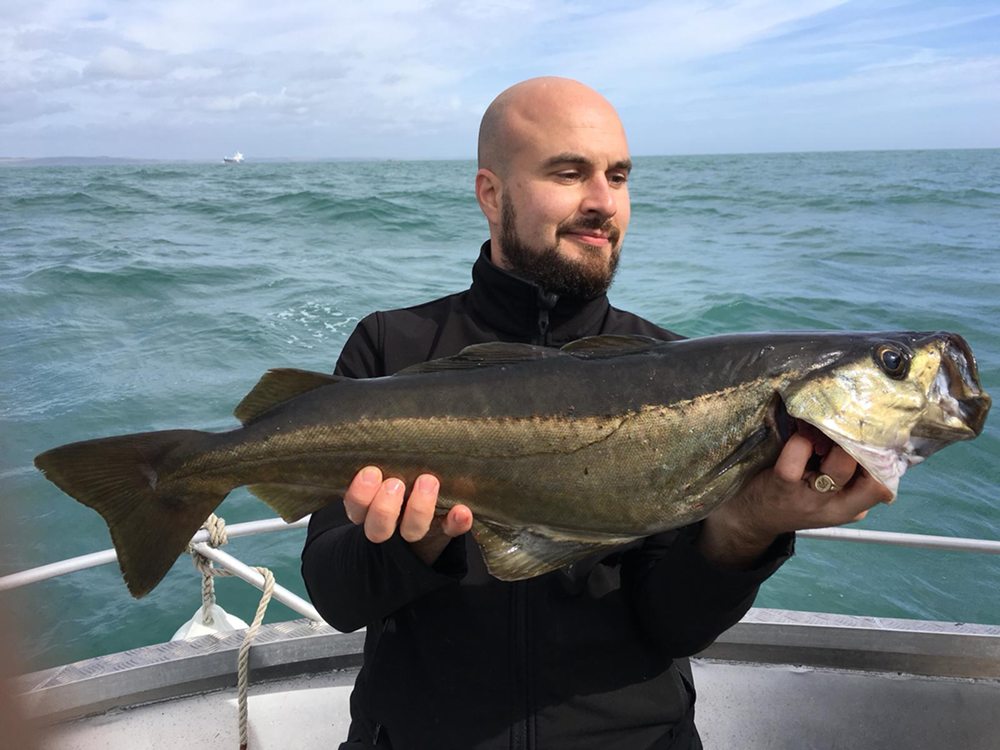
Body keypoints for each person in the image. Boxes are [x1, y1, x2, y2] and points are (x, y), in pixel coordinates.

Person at [301, 77, 893, 750]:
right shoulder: (389, 349)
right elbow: (335, 595)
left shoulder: (683, 375)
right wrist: (419, 543)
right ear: (491, 195)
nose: (603, 202)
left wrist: (749, 526)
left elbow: (672, 627)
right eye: (569, 173)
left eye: (618, 176)